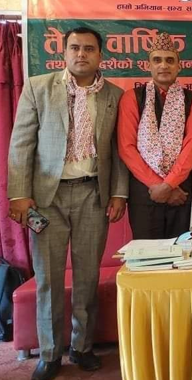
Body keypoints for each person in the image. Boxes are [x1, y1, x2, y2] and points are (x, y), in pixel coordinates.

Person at [7, 26, 128, 380]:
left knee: (88, 276)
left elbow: (119, 151)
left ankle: (82, 346)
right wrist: (19, 195)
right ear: (64, 52)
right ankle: (49, 354)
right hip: (47, 198)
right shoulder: (38, 88)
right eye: (74, 48)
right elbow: (21, 144)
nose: (81, 54)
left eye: (89, 49)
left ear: (100, 55)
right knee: (48, 278)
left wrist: (119, 193)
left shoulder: (115, 96)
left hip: (93, 195)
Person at [117, 32, 192, 239]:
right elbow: (126, 147)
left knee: (181, 252)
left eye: (169, 60)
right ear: (148, 66)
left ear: (179, 66)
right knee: (146, 253)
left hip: (180, 192)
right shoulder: (132, 98)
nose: (163, 65)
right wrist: (158, 186)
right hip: (145, 191)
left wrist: (169, 184)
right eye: (157, 60)